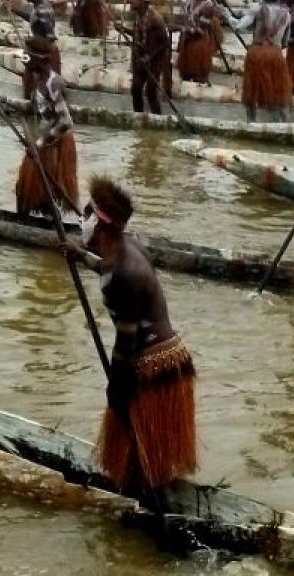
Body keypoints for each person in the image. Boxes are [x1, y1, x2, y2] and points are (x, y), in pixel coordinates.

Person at [63, 176, 197, 494]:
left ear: (102, 224)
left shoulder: (123, 273)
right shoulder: (126, 246)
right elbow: (107, 268)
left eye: (86, 215)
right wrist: (81, 256)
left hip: (151, 362)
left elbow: (126, 343)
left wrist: (117, 390)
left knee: (139, 450)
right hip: (167, 354)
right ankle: (147, 488)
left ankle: (146, 498)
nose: (81, 221)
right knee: (144, 452)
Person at [14, 32, 78, 218]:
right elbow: (35, 108)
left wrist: (40, 144)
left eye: (27, 56)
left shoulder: (53, 83)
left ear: (38, 59)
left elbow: (65, 121)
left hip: (54, 142)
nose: (24, 59)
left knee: (45, 195)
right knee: (23, 190)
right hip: (41, 139)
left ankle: (49, 232)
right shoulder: (38, 80)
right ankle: (26, 231)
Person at [233, 0, 292, 120]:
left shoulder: (257, 10)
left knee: (252, 91)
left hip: (257, 53)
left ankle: (251, 121)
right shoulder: (287, 15)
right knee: (277, 89)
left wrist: (225, 15)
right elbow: (285, 42)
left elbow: (239, 27)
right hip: (276, 55)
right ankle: (282, 122)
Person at [119, 0, 171, 115]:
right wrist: (123, 29)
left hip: (154, 60)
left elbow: (165, 42)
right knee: (135, 89)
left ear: (142, 1)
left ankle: (157, 119)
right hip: (139, 58)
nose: (131, 1)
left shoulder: (155, 19)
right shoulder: (139, 16)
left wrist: (149, 57)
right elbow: (138, 35)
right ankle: (139, 116)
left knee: (150, 92)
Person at [177, 0, 221, 85]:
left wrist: (186, 30)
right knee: (185, 74)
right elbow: (186, 18)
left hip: (199, 42)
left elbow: (201, 29)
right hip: (187, 40)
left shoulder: (208, 4)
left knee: (199, 75)